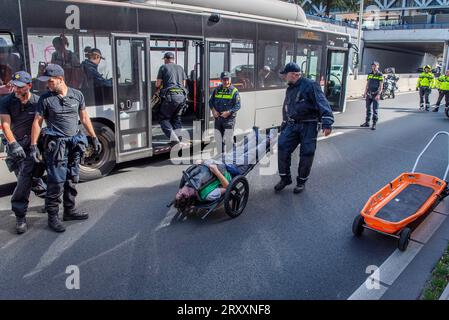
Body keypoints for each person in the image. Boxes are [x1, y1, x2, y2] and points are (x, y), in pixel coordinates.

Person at [30, 64, 101, 233]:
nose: (47, 84)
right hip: (57, 146)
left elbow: (84, 118)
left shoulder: (77, 95)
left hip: (74, 143)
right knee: (56, 182)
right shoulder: (45, 99)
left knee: (72, 179)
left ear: (60, 79)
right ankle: (53, 217)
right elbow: (37, 123)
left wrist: (94, 137)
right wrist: (33, 145)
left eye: (50, 81)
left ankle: (69, 210)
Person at [275, 62, 333, 194]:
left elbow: (322, 102)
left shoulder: (310, 85)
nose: (284, 77)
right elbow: (287, 107)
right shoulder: (290, 88)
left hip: (309, 125)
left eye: (286, 75)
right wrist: (284, 123)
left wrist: (327, 122)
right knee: (283, 146)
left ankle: (301, 182)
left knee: (306, 153)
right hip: (292, 124)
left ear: (294, 75)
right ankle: (285, 179)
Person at [174, 130, 271, 209]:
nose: (180, 189)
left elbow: (204, 170)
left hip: (222, 162)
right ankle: (268, 140)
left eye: (178, 192)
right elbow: (227, 187)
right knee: (251, 154)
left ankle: (256, 135)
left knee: (242, 148)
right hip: (231, 171)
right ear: (187, 196)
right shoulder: (208, 195)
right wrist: (216, 172)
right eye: (180, 193)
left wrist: (203, 162)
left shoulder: (190, 183)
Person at [0, 71, 47, 234]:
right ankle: (48, 199)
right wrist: (13, 144)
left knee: (25, 179)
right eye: (15, 86)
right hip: (16, 147)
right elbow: (5, 125)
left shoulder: (38, 101)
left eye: (20, 87)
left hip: (32, 146)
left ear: (29, 86)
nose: (17, 90)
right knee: (26, 179)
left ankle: (21, 214)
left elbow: (41, 123)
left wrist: (37, 146)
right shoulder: (6, 101)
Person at [154, 51, 188, 146]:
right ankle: (179, 138)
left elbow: (158, 84)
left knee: (163, 118)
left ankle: (174, 140)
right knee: (176, 118)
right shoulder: (180, 68)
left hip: (170, 96)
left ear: (165, 59)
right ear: (173, 59)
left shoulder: (163, 67)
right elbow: (184, 84)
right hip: (182, 96)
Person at [209, 71, 241, 153]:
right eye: (224, 80)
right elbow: (210, 101)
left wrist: (229, 112)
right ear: (221, 80)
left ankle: (231, 158)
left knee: (229, 140)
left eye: (227, 79)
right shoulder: (217, 90)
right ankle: (220, 156)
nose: (226, 82)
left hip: (229, 119)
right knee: (218, 139)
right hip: (218, 118)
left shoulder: (234, 91)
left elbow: (238, 105)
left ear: (230, 80)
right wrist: (213, 110)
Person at [360, 61, 383, 130]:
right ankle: (367, 123)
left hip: (376, 94)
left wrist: (379, 94)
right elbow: (367, 84)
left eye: (375, 66)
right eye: (373, 66)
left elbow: (381, 85)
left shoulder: (380, 74)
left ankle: (374, 124)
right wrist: (365, 93)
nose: (374, 67)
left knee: (375, 110)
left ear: (378, 66)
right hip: (369, 94)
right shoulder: (370, 74)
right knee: (368, 109)